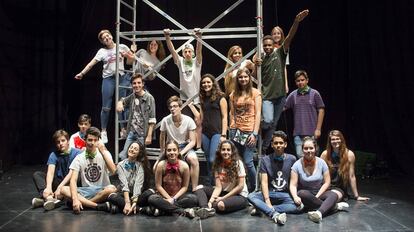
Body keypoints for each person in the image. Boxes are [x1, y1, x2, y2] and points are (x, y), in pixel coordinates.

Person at [258, 10, 309, 154]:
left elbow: (289, 37)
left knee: (273, 124)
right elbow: (252, 69)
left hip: (280, 96)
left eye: (269, 45)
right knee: (267, 121)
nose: (268, 47)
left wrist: (296, 21)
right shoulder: (261, 59)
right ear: (263, 46)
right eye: (265, 45)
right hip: (267, 96)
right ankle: (255, 129)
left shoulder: (280, 52)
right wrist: (254, 63)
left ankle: (264, 147)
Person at [74, 29, 135, 143]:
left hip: (121, 77)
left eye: (108, 36)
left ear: (111, 36)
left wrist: (127, 55)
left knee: (120, 104)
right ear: (103, 42)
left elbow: (131, 61)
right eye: (104, 38)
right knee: (106, 106)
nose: (107, 38)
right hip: (109, 79)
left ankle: (122, 128)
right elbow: (91, 64)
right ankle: (103, 131)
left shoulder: (122, 47)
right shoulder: (102, 51)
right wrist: (82, 73)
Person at [289, 137, 349, 223]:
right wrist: (295, 197)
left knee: (334, 194)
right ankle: (334, 207)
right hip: (307, 193)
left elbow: (327, 182)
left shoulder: (321, 162)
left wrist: (317, 196)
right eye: (306, 148)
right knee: (301, 193)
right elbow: (293, 185)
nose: (309, 150)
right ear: (302, 150)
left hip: (320, 192)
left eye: (311, 148)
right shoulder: (297, 165)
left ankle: (319, 213)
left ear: (315, 149)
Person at [247, 131, 301, 225]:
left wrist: (295, 197)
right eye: (276, 143)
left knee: (299, 206)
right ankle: (273, 214)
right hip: (270, 193)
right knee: (251, 196)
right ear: (272, 145)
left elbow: (294, 181)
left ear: (285, 144)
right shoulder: (265, 160)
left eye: (281, 143)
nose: (278, 145)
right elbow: (263, 182)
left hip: (285, 194)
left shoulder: (292, 159)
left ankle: (263, 209)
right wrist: (267, 201)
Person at [60, 127, 118, 214]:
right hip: (85, 191)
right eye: (90, 140)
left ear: (99, 141)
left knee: (112, 189)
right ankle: (96, 206)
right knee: (63, 189)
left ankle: (85, 204)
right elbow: (73, 180)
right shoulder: (79, 157)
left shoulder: (105, 153)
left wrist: (102, 151)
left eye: (95, 140)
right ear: (85, 140)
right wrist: (75, 199)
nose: (92, 143)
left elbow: (113, 171)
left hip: (101, 191)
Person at [164, 28, 203, 150]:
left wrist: (199, 37)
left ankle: (199, 146)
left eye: (189, 51)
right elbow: (172, 50)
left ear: (192, 53)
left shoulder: (197, 62)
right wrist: (167, 37)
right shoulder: (180, 62)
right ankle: (188, 145)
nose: (187, 53)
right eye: (185, 51)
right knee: (187, 123)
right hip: (185, 99)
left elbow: (199, 49)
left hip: (197, 98)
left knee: (199, 123)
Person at [156, 96, 200, 192]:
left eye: (175, 106)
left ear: (180, 107)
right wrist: (162, 151)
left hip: (185, 146)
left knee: (194, 159)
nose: (172, 109)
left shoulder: (189, 120)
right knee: (156, 166)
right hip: (171, 147)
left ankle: (195, 188)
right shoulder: (165, 120)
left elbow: (193, 141)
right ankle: (160, 189)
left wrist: (182, 153)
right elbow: (162, 137)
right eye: (171, 107)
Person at [194, 140, 248, 217]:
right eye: (223, 149)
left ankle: (208, 206)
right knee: (199, 188)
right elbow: (218, 187)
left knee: (221, 205)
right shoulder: (217, 164)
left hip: (239, 195)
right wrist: (210, 201)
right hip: (223, 192)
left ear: (232, 152)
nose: (226, 152)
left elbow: (240, 186)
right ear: (220, 151)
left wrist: (222, 198)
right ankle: (206, 209)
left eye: (228, 150)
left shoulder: (238, 163)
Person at [229, 67, 261, 192]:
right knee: (237, 161)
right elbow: (232, 114)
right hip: (235, 131)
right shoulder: (233, 94)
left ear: (249, 78)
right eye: (241, 77)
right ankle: (241, 188)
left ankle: (254, 188)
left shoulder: (255, 93)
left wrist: (254, 133)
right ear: (238, 79)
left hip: (249, 131)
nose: (243, 79)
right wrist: (232, 128)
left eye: (245, 77)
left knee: (248, 161)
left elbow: (258, 113)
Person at [32, 130, 82, 210]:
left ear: (68, 141)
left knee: (78, 176)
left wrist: (60, 188)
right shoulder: (54, 154)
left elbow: (71, 173)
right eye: (58, 142)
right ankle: (49, 198)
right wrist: (48, 187)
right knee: (37, 174)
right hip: (60, 181)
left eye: (63, 141)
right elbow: (50, 172)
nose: (60, 144)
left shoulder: (77, 153)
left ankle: (46, 201)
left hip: (71, 182)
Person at [148, 141, 199, 218]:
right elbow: (158, 186)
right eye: (169, 150)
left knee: (194, 199)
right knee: (152, 198)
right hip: (164, 197)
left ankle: (163, 209)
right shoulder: (161, 165)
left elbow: (185, 187)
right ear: (165, 152)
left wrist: (173, 199)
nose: (172, 152)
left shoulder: (184, 166)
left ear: (178, 151)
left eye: (174, 150)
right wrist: (168, 198)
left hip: (177, 197)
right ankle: (181, 211)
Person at [284, 70, 325, 158]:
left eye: (302, 80)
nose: (300, 82)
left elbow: (321, 110)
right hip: (298, 133)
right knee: (300, 156)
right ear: (295, 82)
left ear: (307, 80)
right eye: (298, 80)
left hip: (312, 132)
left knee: (312, 157)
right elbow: (283, 107)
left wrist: (318, 129)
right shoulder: (293, 95)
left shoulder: (314, 94)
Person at [321, 130, 370, 201]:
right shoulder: (325, 154)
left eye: (337, 138)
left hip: (339, 188)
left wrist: (356, 196)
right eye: (333, 139)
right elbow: (319, 174)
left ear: (341, 140)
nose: (335, 141)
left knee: (332, 197)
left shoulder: (349, 154)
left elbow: (352, 176)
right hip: (326, 186)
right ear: (330, 142)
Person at [116, 73, 156, 161]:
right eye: (134, 83)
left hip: (142, 134)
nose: (136, 85)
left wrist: (149, 136)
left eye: (139, 83)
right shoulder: (133, 96)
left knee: (139, 158)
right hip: (132, 132)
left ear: (143, 84)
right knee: (124, 155)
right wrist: (120, 103)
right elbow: (123, 100)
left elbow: (152, 119)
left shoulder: (149, 98)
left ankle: (139, 174)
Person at [107, 142, 155, 215]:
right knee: (111, 196)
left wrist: (134, 201)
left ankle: (122, 207)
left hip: (137, 195)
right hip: (125, 195)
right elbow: (124, 185)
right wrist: (127, 202)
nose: (132, 150)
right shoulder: (120, 165)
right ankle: (140, 209)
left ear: (139, 153)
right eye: (131, 147)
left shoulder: (140, 166)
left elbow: (138, 185)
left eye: (135, 149)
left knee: (150, 192)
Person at [196, 74, 228, 184]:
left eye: (208, 82)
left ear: (213, 83)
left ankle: (217, 182)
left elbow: (224, 117)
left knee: (212, 159)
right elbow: (201, 118)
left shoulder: (221, 97)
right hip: (205, 133)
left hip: (217, 132)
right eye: (204, 83)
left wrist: (223, 135)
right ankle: (211, 183)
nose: (206, 84)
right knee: (208, 160)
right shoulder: (202, 99)